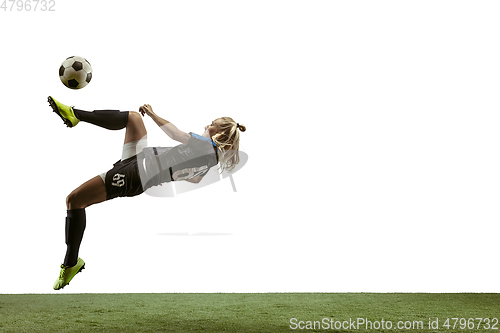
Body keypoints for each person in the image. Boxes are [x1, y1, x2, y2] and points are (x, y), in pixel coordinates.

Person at [47, 96, 246, 290]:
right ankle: (75, 115)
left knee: (74, 200)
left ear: (218, 134)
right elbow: (194, 179)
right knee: (133, 117)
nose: (207, 125)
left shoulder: (204, 145)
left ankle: (70, 263)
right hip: (140, 161)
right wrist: (163, 174)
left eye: (212, 124)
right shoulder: (212, 160)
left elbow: (176, 134)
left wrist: (152, 114)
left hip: (134, 174)